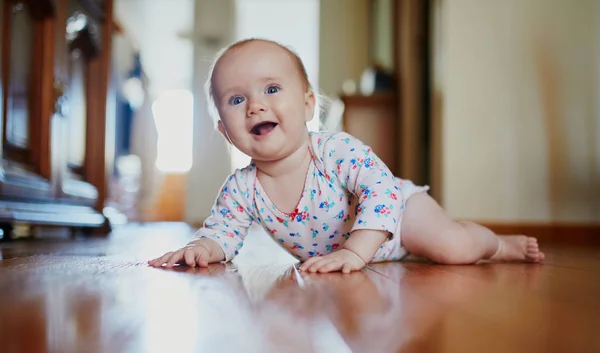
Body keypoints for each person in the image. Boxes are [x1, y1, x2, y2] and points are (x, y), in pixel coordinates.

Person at [148, 38, 544, 274]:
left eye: (271, 89)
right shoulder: (241, 188)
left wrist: (356, 252)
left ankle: (495, 245)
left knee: (452, 250)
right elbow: (223, 234)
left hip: (402, 217)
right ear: (224, 131)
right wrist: (202, 249)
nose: (255, 106)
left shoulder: (334, 151)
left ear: (307, 105)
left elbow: (382, 192)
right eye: (236, 99)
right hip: (356, 255)